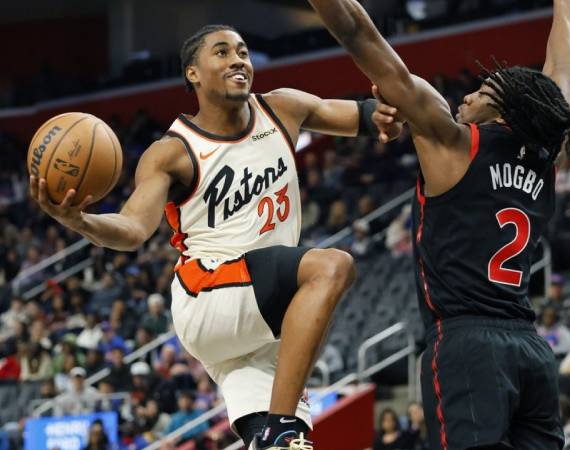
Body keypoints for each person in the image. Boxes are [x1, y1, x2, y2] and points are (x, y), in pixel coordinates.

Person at [29, 24, 402, 450]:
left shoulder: (283, 108)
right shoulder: (172, 151)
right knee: (332, 266)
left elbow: (365, 114)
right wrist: (81, 222)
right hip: (209, 295)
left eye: (243, 51)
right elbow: (133, 230)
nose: (238, 60)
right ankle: (280, 421)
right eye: (221, 52)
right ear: (193, 73)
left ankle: (277, 430)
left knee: (287, 446)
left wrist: (389, 112)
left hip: (259, 317)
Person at [308, 0, 570, 448]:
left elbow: (360, 35)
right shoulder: (547, 156)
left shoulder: (454, 143)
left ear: (507, 109)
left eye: (482, 90)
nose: (467, 95)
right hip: (530, 349)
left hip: (467, 343)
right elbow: (563, 64)